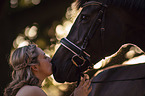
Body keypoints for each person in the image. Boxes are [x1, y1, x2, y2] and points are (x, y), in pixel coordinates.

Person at [4, 44, 92, 96]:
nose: (50, 59)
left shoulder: (29, 90)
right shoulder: (32, 91)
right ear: (35, 67)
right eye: (45, 57)